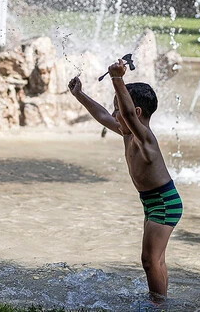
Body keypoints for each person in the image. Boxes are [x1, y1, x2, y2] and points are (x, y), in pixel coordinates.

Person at [69, 60, 182, 301]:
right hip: (153, 201)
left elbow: (128, 113)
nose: (113, 114)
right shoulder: (127, 132)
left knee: (149, 260)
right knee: (156, 259)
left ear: (136, 113)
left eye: (116, 108)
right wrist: (80, 94)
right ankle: (161, 301)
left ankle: (157, 305)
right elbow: (101, 115)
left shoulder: (145, 139)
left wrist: (117, 79)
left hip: (163, 201)